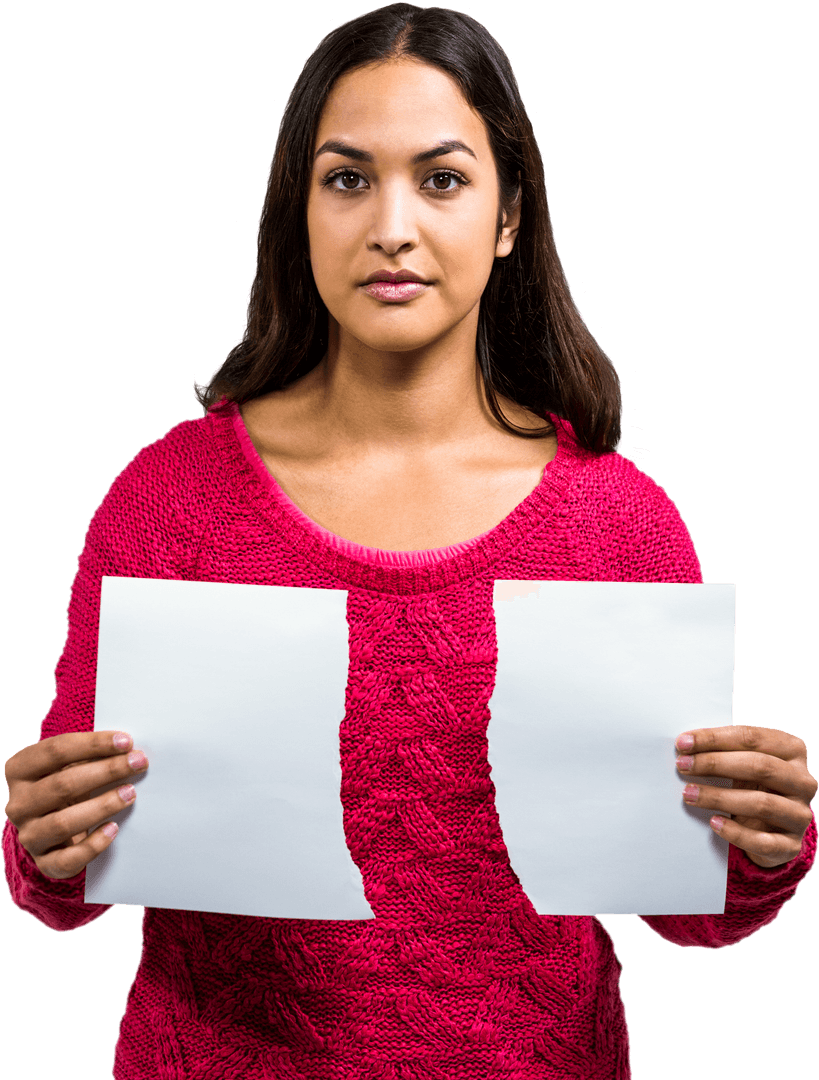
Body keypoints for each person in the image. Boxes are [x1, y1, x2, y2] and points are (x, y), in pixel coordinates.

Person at [3, 4, 816, 1078]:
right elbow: (67, 874)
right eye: (347, 178)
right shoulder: (170, 501)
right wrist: (46, 842)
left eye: (441, 179)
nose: (392, 225)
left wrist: (758, 841)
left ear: (509, 214)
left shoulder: (618, 522)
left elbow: (688, 908)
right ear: (299, 210)